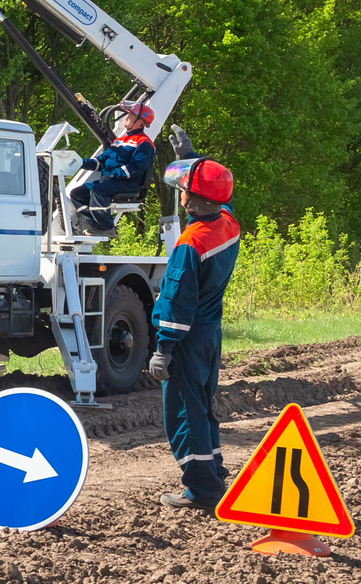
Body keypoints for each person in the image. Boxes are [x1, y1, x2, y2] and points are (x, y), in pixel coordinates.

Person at [147, 156, 240, 511]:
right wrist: (191, 154)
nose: (181, 193)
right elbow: (222, 197)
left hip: (186, 339)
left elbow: (175, 299)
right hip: (210, 335)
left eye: (185, 188)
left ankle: (202, 491)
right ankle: (213, 472)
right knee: (202, 408)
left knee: (184, 415)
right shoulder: (228, 224)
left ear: (195, 200)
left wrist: (163, 349)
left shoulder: (190, 243)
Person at [68, 101, 157, 235]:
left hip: (128, 184)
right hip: (110, 181)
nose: (126, 117)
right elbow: (102, 161)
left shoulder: (144, 143)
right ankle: (96, 222)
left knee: (98, 190)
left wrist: (113, 174)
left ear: (140, 122)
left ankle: (107, 227)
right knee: (77, 193)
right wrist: (79, 162)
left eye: (131, 115)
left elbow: (136, 168)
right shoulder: (119, 141)